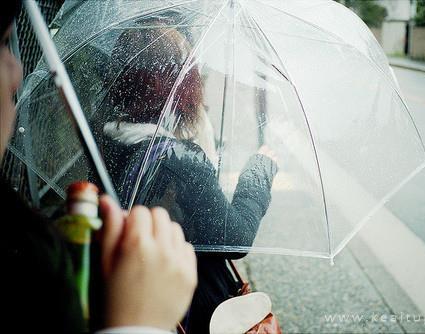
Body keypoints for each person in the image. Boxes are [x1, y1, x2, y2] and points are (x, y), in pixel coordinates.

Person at [0, 2, 197, 333]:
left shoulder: (105, 132)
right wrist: (137, 325)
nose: (16, 69)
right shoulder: (184, 158)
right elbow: (235, 235)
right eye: (3, 44)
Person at [100, 22, 278, 334]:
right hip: (186, 305)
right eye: (192, 74)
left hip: (134, 290)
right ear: (176, 86)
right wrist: (258, 174)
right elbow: (233, 239)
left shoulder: (110, 136)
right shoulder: (179, 161)